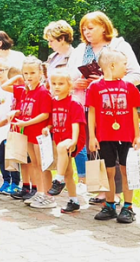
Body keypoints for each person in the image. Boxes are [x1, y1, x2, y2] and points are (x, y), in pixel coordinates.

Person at [68, 11, 140, 205]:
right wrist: (77, 83)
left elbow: (136, 75)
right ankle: (102, 191)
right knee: (95, 149)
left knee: (117, 151)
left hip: (116, 109)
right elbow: (69, 77)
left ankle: (116, 193)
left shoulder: (119, 46)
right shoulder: (80, 50)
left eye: (91, 28)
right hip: (87, 103)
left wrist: (107, 82)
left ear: (104, 27)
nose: (87, 32)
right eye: (84, 28)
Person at [86, 50, 140, 223]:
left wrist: (137, 136)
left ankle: (128, 207)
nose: (126, 68)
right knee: (108, 171)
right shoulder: (95, 87)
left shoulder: (129, 87)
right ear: (112, 66)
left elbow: (134, 113)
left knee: (127, 171)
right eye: (124, 64)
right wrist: (92, 137)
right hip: (105, 136)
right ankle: (110, 204)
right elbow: (92, 113)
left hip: (126, 136)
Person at [12, 57, 53, 209]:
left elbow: (45, 114)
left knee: (43, 165)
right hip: (28, 132)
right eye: (26, 73)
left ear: (40, 73)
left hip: (39, 133)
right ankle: (39, 192)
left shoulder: (43, 92)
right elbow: (24, 110)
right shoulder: (26, 91)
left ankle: (47, 195)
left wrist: (26, 123)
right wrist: (16, 113)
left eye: (32, 73)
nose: (29, 76)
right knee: (34, 164)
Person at [44, 69, 86, 213]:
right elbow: (51, 120)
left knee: (62, 147)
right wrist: (47, 127)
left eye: (61, 84)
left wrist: (74, 140)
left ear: (69, 85)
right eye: (54, 83)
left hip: (72, 138)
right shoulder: (53, 101)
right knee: (68, 171)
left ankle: (58, 180)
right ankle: (73, 201)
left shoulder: (74, 103)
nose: (57, 86)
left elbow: (76, 123)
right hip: (58, 137)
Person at [0, 58, 20, 195]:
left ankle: (15, 182)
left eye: (1, 70)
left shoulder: (10, 89)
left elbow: (12, 107)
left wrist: (3, 122)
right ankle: (5, 180)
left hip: (8, 126)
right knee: (0, 155)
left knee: (11, 155)